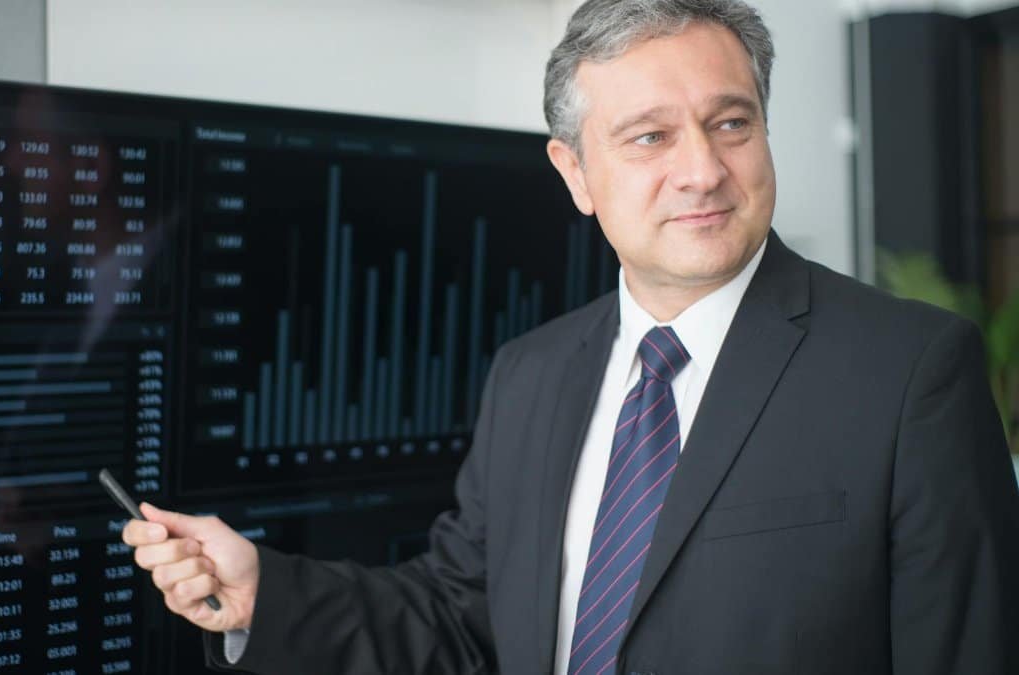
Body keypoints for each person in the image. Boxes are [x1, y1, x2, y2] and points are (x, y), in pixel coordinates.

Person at [123, 0, 1019, 672]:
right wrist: (260, 594)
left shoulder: (910, 371)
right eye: (649, 137)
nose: (702, 169)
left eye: (731, 123)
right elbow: (460, 619)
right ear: (575, 172)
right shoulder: (531, 373)